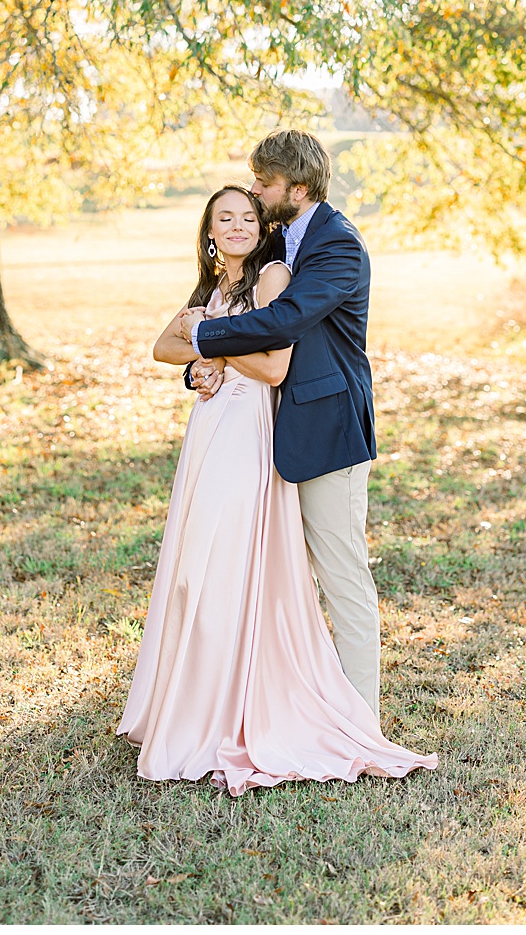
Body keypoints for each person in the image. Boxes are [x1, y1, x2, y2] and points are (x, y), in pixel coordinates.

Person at [121, 180, 435, 793]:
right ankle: (195, 705)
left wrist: (212, 347)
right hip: (209, 434)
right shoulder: (210, 289)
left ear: (262, 222)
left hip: (249, 434)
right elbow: (163, 346)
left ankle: (276, 713)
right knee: (194, 571)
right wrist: (195, 366)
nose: (238, 226)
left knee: (235, 569)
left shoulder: (269, 280)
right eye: (225, 219)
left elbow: (274, 364)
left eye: (247, 214)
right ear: (209, 233)